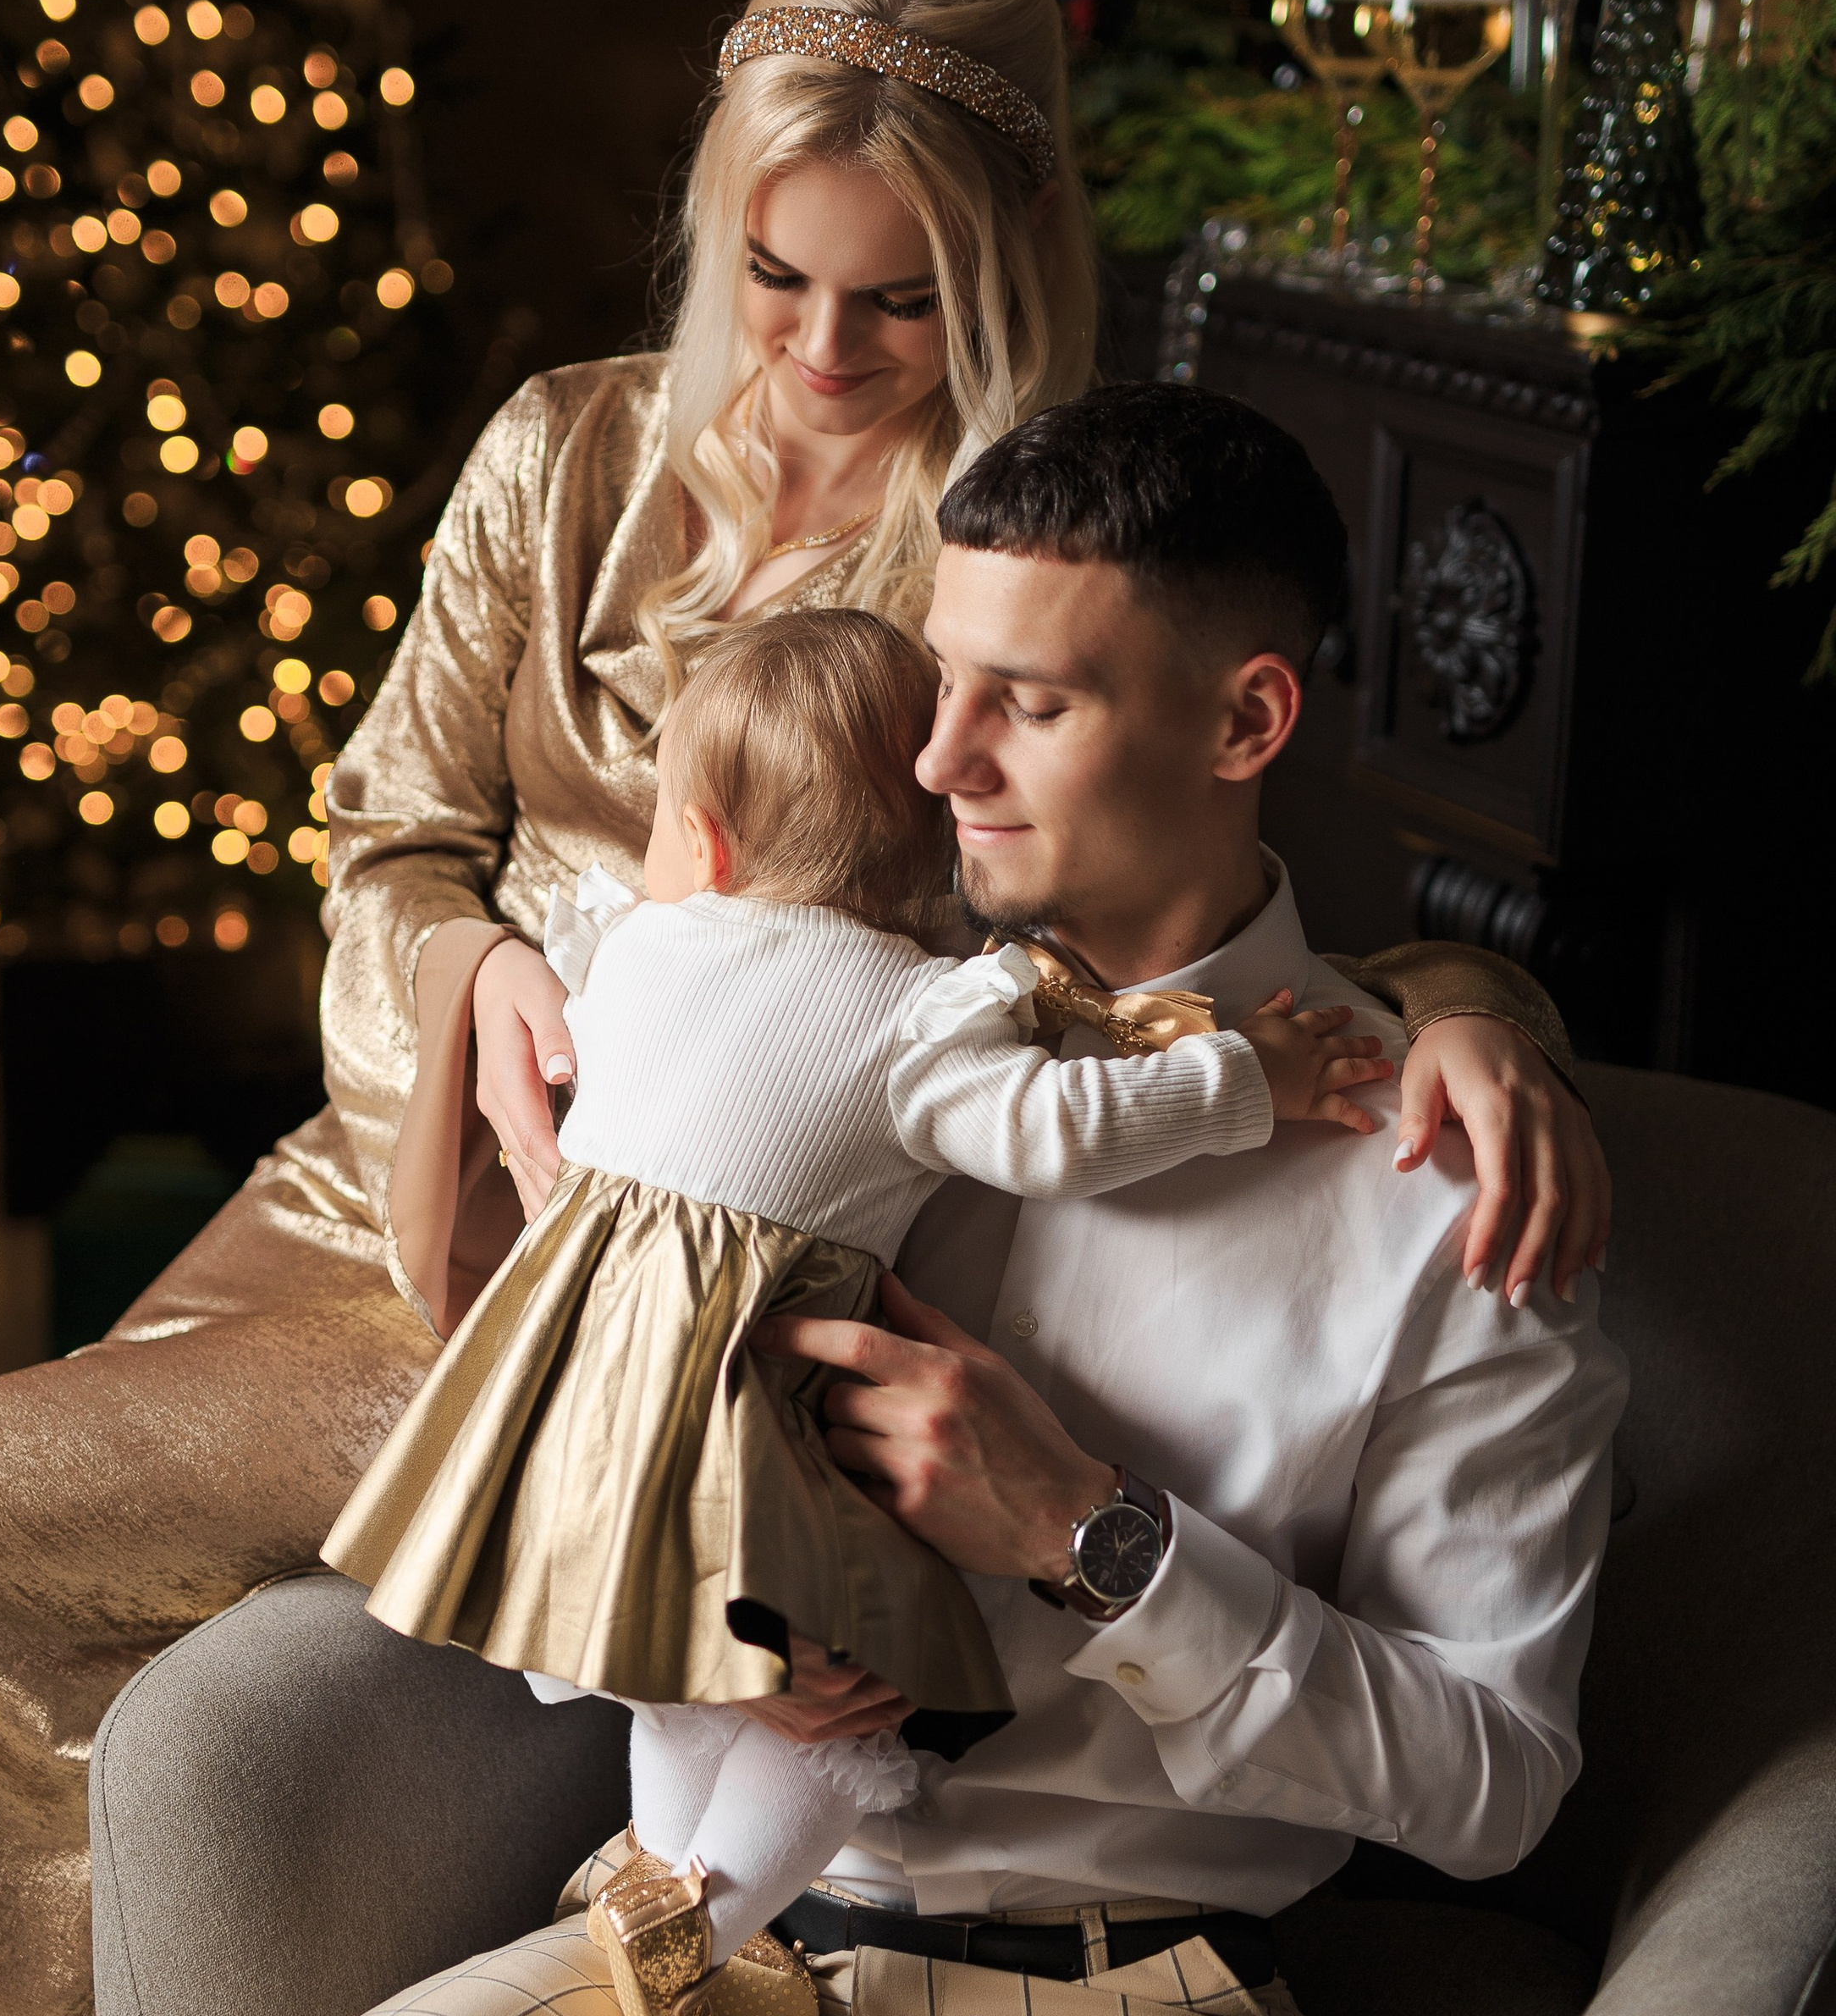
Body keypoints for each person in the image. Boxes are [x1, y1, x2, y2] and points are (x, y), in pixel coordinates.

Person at [0, 0, 1605, 2016]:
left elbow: (1203, 921)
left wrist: (1476, 1009)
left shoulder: (1036, 544)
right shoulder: (568, 452)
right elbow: (386, 824)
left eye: (898, 296)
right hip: (401, 1168)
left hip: (645, 1272)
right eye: (775, 277)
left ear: (1003, 269)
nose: (826, 348)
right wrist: (466, 971)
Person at [365, 381, 1628, 2016]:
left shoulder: (1443, 1182)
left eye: (1026, 703)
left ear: (1246, 725)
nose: (937, 757)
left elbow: (1499, 1783)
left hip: (1119, 1979)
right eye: (942, 677)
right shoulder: (809, 1003)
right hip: (699, 1932)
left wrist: (1096, 1545)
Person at [325, 608, 1392, 2011]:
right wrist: (1256, 1078)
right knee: (842, 1720)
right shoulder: (922, 1014)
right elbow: (1066, 1130)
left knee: (686, 1675)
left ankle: (658, 1867)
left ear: (701, 846)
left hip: (581, 1384)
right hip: (749, 1381)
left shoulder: (637, 953)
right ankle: (704, 1915)